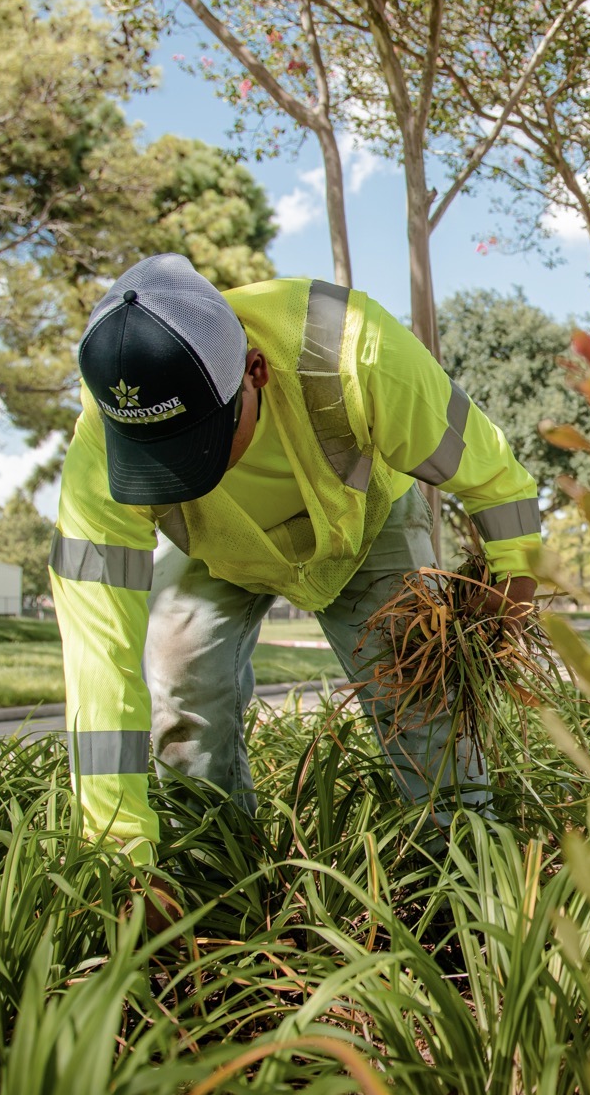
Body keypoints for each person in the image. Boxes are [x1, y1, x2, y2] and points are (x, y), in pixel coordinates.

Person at [50, 254, 540, 874]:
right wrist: (120, 852)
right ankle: (214, 880)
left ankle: (475, 879)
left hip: (360, 527)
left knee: (418, 695)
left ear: (255, 370)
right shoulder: (100, 451)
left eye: (197, 443)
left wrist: (511, 586)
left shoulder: (351, 348)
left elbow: (496, 478)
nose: (178, 475)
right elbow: (99, 661)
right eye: (156, 458)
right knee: (181, 689)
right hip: (215, 551)